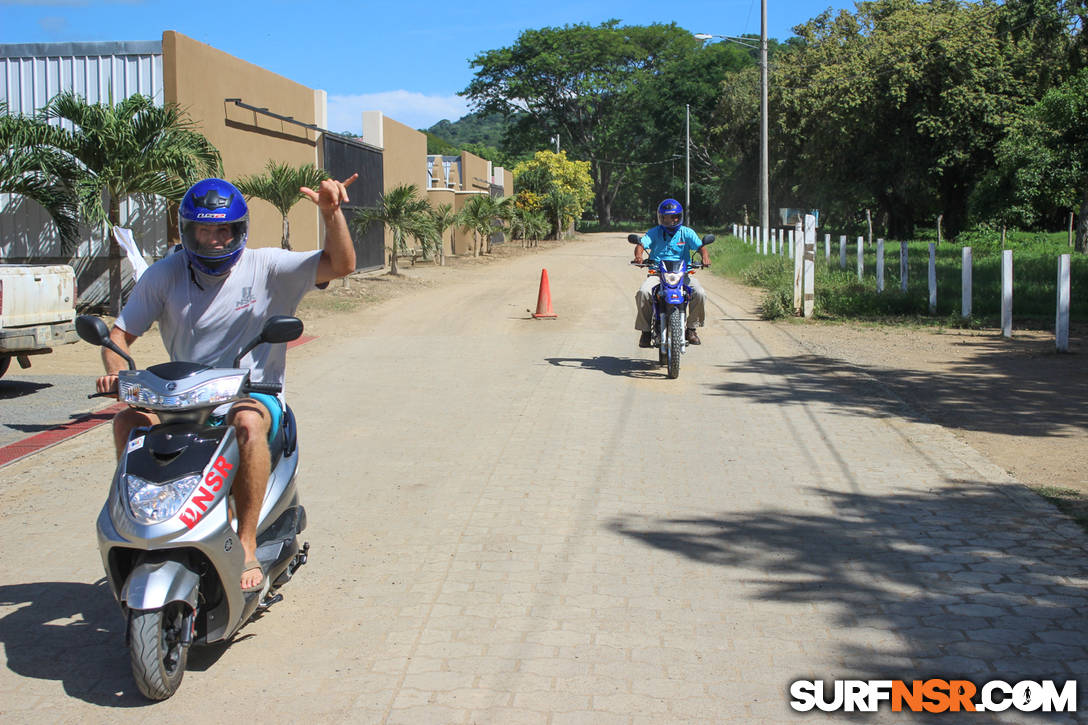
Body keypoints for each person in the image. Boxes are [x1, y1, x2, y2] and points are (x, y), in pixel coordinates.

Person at [95, 174, 358, 593]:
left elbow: (341, 264)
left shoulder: (268, 266)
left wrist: (331, 214)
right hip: (180, 397)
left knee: (247, 425)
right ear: (188, 231)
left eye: (223, 230)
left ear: (239, 231)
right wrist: (116, 369)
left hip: (253, 393)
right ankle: (143, 520)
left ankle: (247, 541)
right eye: (204, 229)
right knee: (128, 424)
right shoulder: (165, 274)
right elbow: (119, 336)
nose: (214, 239)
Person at [633, 198, 711, 347]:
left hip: (683, 275)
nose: (671, 221)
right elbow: (641, 244)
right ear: (661, 217)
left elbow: (700, 247)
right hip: (657, 274)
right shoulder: (655, 232)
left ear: (679, 217)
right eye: (666, 217)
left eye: (674, 217)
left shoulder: (686, 232)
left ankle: (691, 329)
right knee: (643, 292)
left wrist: (705, 257)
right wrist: (639, 256)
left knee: (700, 293)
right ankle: (645, 332)